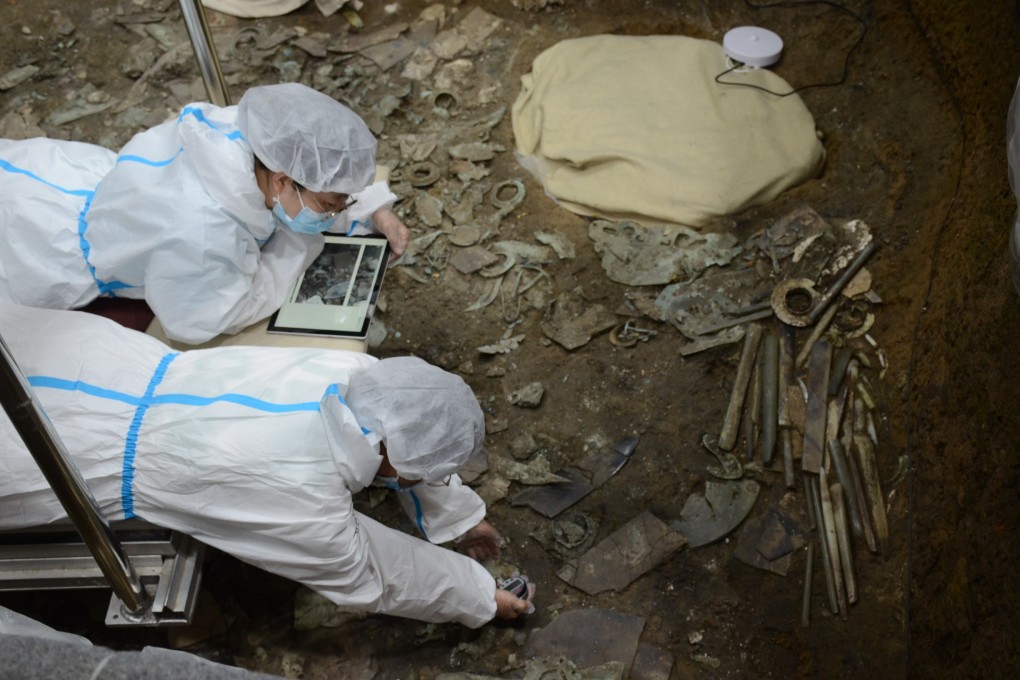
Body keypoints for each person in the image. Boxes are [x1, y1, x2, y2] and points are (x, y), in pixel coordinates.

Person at [0, 303, 533, 627]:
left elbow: (409, 430)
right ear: (397, 460)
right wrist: (478, 594)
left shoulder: (355, 370)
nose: (420, 479)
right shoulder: (300, 499)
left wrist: (461, 517)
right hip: (54, 451)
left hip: (96, 360)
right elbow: (373, 574)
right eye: (423, 473)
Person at [0, 83, 410, 345]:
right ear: (282, 181)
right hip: (35, 248)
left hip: (55, 173)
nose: (337, 213)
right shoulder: (201, 235)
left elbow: (317, 161)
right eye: (330, 206)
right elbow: (203, 318)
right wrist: (300, 247)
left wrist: (373, 208)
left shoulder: (239, 131)